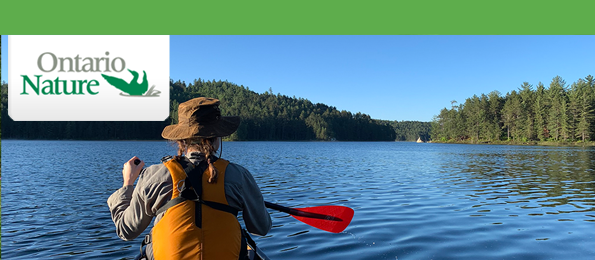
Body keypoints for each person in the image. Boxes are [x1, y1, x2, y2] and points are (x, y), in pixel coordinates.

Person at [107, 97, 272, 260]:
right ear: (217, 138)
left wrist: (128, 184)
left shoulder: (153, 176)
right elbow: (261, 227)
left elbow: (126, 231)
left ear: (180, 141)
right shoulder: (239, 176)